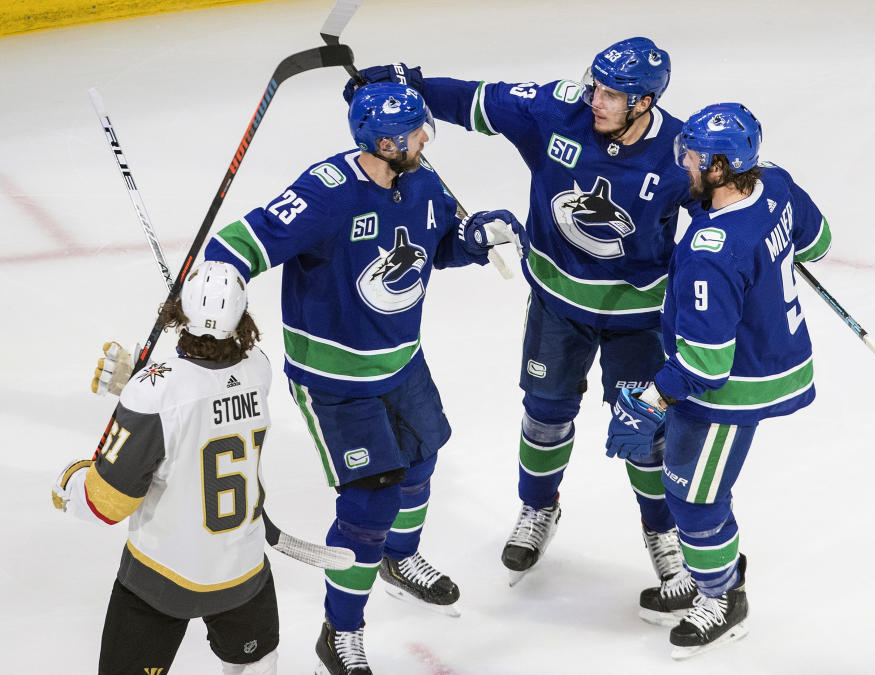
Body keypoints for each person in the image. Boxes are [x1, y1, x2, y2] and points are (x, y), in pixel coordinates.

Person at [345, 38, 697, 593]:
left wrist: (768, 208)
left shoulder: (680, 151)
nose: (595, 100)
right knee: (545, 415)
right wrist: (410, 85)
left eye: (611, 94)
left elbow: (725, 205)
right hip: (558, 309)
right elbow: (474, 101)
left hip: (640, 318)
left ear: (645, 102)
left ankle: (663, 532)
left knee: (644, 430)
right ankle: (540, 509)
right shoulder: (556, 111)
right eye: (595, 85)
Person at [202, 82, 527, 675]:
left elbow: (436, 248)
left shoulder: (423, 181)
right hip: (334, 379)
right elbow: (235, 244)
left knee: (422, 463)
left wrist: (474, 241)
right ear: (382, 141)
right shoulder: (325, 194)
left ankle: (399, 560)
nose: (427, 136)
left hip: (403, 361)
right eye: (415, 130)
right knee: (369, 504)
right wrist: (218, 291)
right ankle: (340, 630)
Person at [606, 102, 832, 659]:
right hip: (774, 357)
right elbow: (818, 240)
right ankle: (718, 571)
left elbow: (707, 367)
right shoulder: (774, 183)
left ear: (721, 169)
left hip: (734, 388)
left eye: (693, 156)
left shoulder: (714, 252)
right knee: (691, 487)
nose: (681, 160)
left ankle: (722, 598)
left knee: (695, 498)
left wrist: (654, 398)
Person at [52, 260, 282, 674]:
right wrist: (143, 383)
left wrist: (72, 483)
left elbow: (105, 504)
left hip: (162, 580)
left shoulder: (154, 392)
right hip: (244, 576)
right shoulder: (260, 369)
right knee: (259, 665)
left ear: (180, 314)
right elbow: (205, 394)